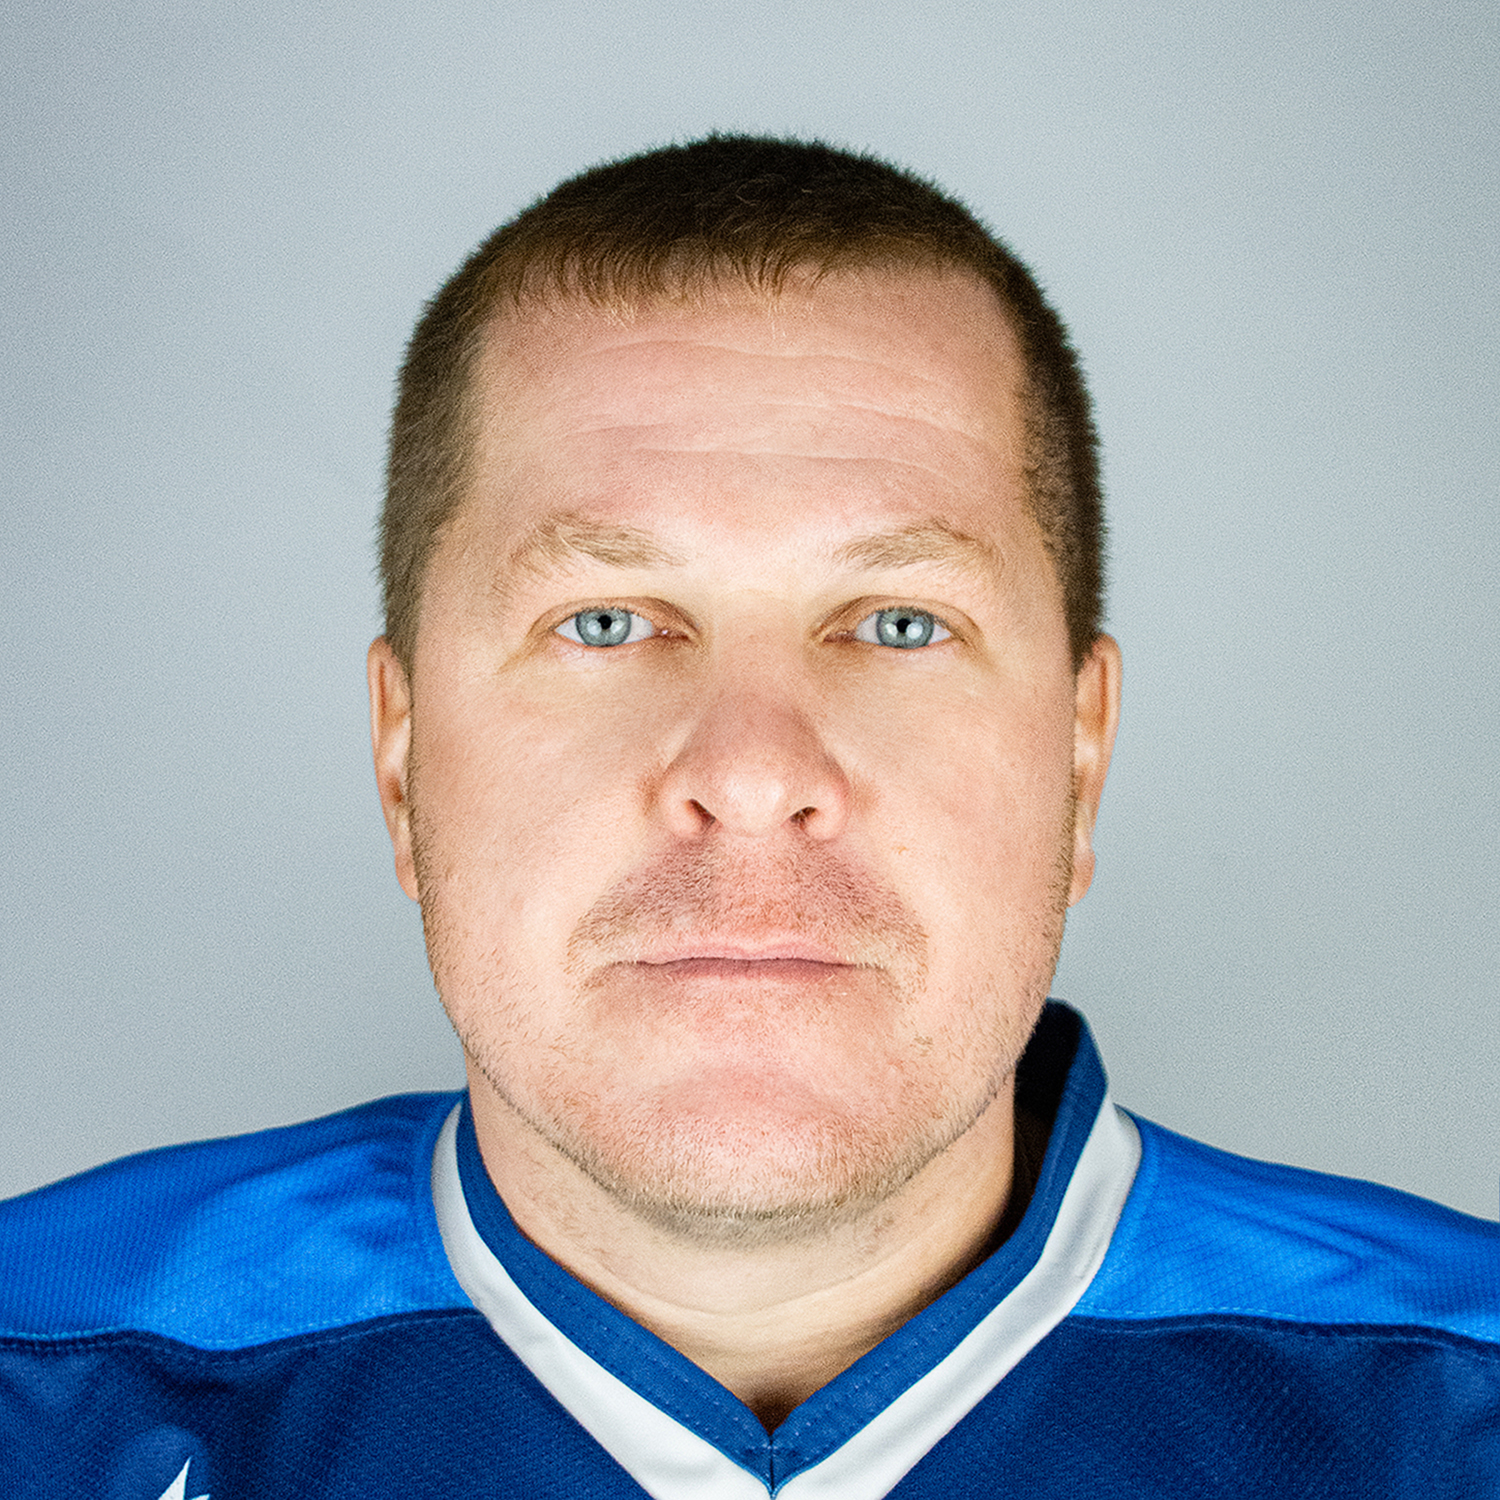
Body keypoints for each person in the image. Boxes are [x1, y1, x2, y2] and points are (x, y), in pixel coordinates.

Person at [2, 135, 1496, 1499]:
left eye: (899, 623)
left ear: (1081, 757)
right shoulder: (43, 1391)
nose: (756, 769)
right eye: (605, 621)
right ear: (402, 759)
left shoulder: (1453, 1417)